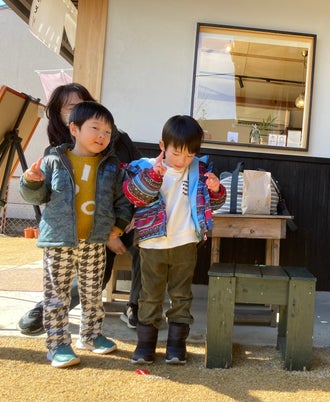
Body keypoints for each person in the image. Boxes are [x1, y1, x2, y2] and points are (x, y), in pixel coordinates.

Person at [17, 83, 142, 335]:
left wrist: (121, 224)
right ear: (63, 119)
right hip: (82, 230)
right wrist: (105, 236)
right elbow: (50, 201)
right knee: (95, 271)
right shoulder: (56, 155)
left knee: (149, 239)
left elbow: (138, 176)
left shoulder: (119, 141)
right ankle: (50, 309)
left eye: (84, 103)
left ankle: (137, 305)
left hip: (123, 219)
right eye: (70, 107)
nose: (101, 134)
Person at [123, 115, 226, 365]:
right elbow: (134, 195)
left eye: (189, 155)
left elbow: (213, 205)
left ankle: (177, 347)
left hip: (185, 243)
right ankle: (145, 347)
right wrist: (153, 177)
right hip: (152, 244)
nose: (182, 160)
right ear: (163, 145)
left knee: (181, 296)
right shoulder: (145, 167)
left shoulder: (199, 170)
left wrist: (216, 190)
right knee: (150, 296)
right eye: (177, 153)